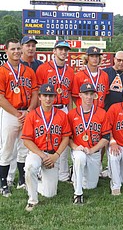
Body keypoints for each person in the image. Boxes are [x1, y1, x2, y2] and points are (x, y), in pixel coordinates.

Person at [21, 83, 71, 211]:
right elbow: (26, 140)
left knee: (50, 193)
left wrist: (56, 156)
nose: (48, 99)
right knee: (31, 167)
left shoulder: (61, 115)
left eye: (50, 96)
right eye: (45, 96)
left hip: (53, 154)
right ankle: (32, 200)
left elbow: (66, 138)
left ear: (54, 98)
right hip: (37, 153)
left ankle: (34, 183)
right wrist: (42, 155)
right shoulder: (32, 115)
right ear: (40, 97)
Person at [0, 38, 38, 197]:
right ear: (6, 51)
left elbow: (35, 92)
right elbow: (1, 97)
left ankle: (21, 180)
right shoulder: (2, 70)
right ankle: (3, 183)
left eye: (18, 49)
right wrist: (17, 113)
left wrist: (29, 110)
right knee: (7, 148)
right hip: (10, 113)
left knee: (24, 147)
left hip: (27, 112)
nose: (16, 52)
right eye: (13, 49)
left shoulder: (28, 71)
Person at [36, 40, 74, 182]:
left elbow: (69, 93)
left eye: (65, 50)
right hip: (47, 108)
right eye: (60, 49)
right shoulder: (43, 68)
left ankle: (63, 174)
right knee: (45, 139)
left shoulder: (70, 71)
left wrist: (70, 112)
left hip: (63, 108)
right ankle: (42, 170)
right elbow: (39, 92)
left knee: (64, 140)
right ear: (54, 51)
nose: (63, 52)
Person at [68, 83, 110, 204]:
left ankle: (75, 173)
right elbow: (68, 138)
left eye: (91, 94)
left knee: (91, 186)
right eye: (86, 94)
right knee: (80, 158)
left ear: (95, 96)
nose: (88, 97)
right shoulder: (72, 114)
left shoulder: (101, 113)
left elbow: (106, 137)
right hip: (79, 150)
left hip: (94, 152)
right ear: (80, 95)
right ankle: (78, 193)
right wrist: (76, 147)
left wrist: (92, 149)